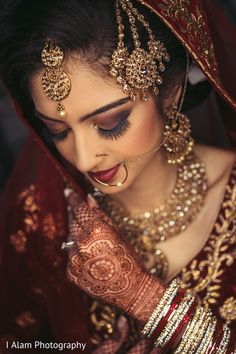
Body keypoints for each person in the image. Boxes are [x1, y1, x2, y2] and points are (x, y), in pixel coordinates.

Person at [0, 0, 235, 353]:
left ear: (168, 93)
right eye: (57, 130)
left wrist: (148, 300)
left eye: (111, 124)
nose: (82, 158)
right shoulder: (40, 220)